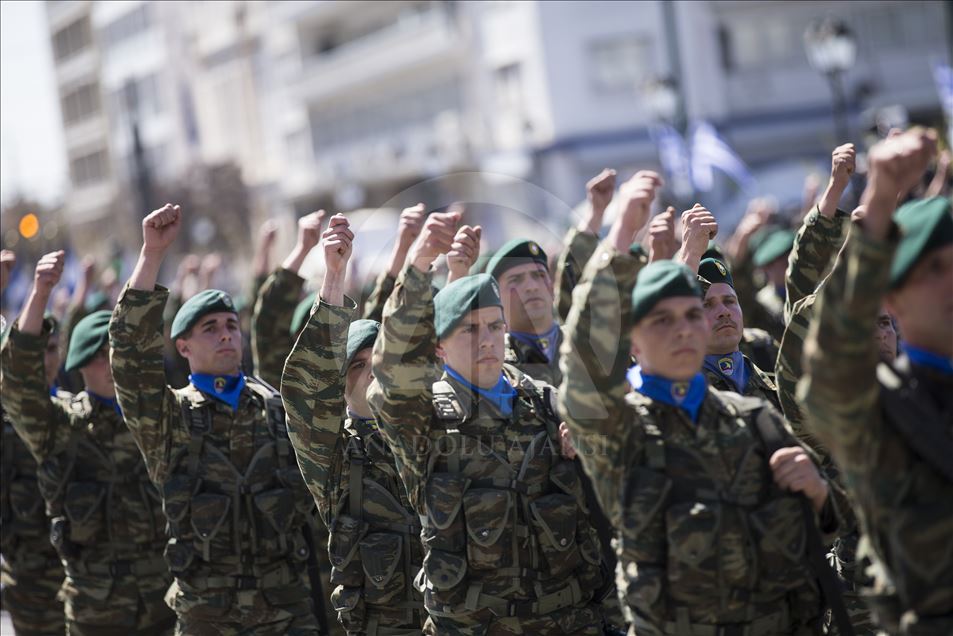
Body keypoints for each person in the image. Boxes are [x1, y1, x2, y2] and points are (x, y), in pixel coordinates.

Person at [559, 170, 848, 636]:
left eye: (694, 315)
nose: (685, 329)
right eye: (662, 320)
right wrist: (620, 238)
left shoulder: (753, 419)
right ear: (631, 340)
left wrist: (818, 499)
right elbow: (585, 365)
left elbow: (811, 540)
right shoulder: (621, 432)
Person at [367, 209, 609, 634]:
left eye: (496, 327)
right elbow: (392, 368)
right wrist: (421, 260)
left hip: (569, 621)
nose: (488, 341)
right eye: (470, 330)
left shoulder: (546, 403)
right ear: (438, 348)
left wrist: (588, 445)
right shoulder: (423, 421)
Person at [109, 204, 322, 635]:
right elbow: (131, 355)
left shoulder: (275, 407)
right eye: (209, 328)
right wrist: (152, 254)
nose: (226, 333)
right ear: (182, 348)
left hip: (285, 611)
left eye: (230, 325)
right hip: (209, 616)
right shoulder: (169, 418)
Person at [800, 129, 953, 635]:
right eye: (933, 270)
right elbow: (826, 378)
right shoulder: (882, 408)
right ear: (893, 299)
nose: (950, 282)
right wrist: (880, 199)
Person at [2, 250, 175, 636]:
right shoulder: (63, 426)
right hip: (100, 615)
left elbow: (141, 335)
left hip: (165, 605)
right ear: (79, 363)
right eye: (100, 357)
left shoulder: (157, 418)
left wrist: (151, 255)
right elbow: (18, 386)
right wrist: (40, 292)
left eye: (115, 354)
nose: (111, 364)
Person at [282, 214, 425, 635]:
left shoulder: (427, 435)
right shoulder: (336, 456)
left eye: (378, 361)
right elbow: (308, 393)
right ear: (338, 383)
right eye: (357, 365)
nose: (370, 373)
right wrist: (334, 275)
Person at [1, 251, 66, 636]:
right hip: (32, 582)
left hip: (94, 583)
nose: (46, 359)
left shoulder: (76, 414)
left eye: (53, 348)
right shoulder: (8, 423)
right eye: (38, 350)